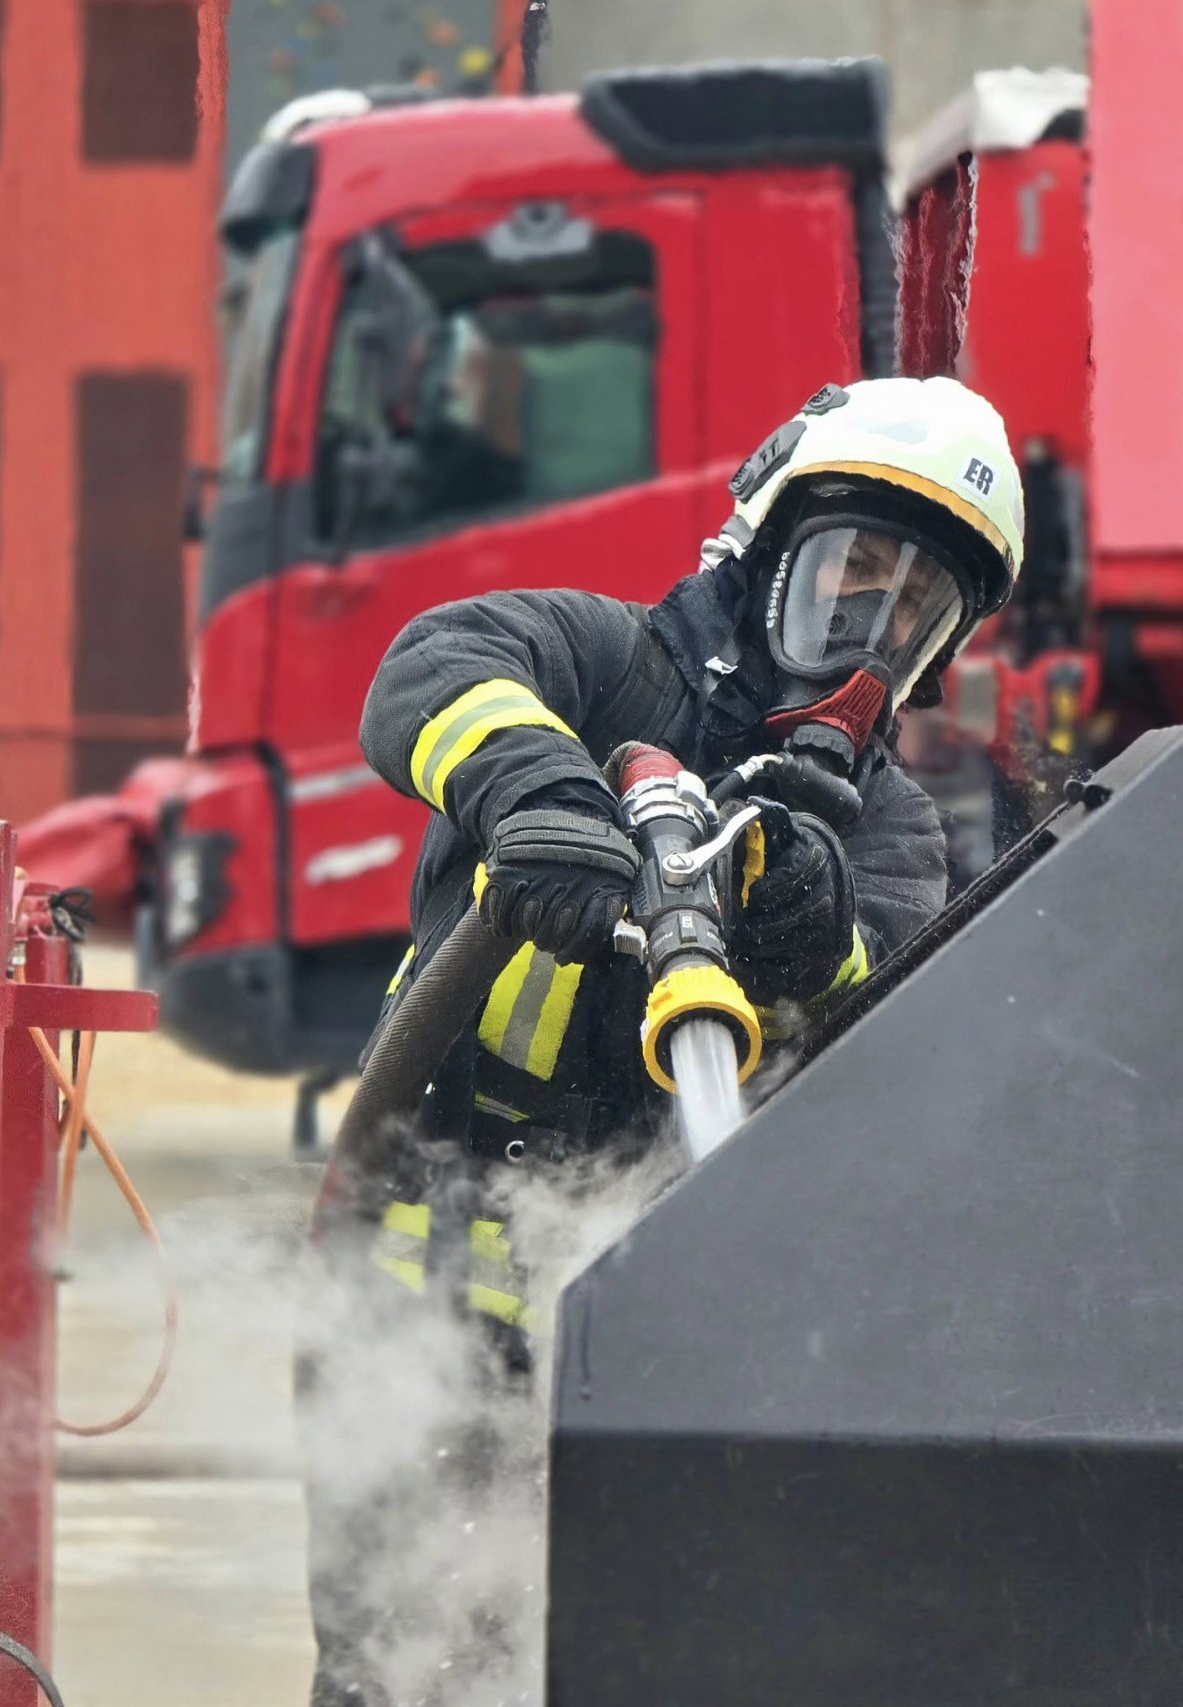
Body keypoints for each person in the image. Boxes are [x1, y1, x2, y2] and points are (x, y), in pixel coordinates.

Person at [301, 375, 1025, 1707]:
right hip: (427, 1263)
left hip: (663, 1299)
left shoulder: (887, 827)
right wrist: (545, 794)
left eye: (918, 600)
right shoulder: (598, 660)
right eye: (854, 563)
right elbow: (433, 662)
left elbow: (883, 1017)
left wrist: (808, 927)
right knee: (407, 1653)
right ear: (766, 543)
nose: (875, 615)